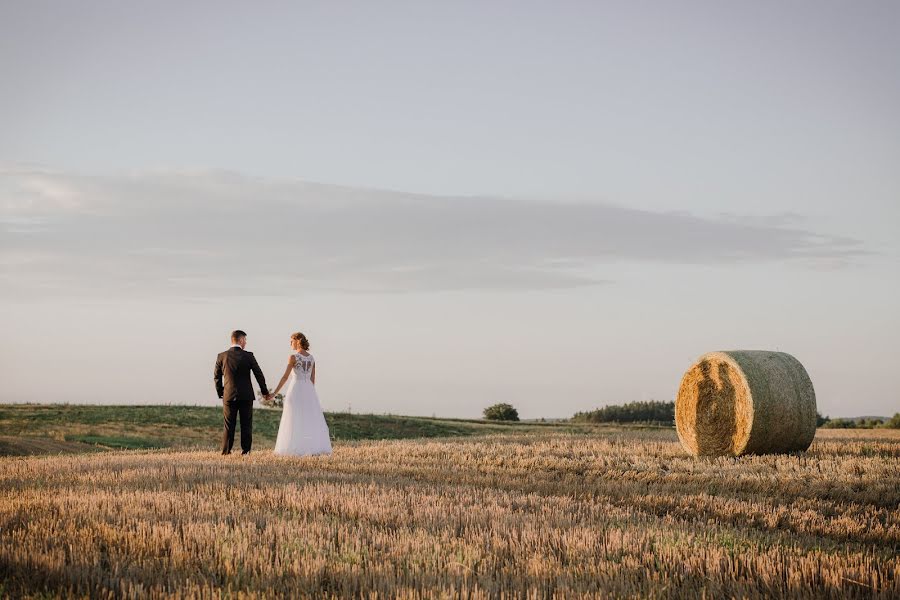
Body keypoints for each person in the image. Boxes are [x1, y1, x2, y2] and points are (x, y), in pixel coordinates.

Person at [271, 332, 332, 456]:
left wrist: (274, 393)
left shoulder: (293, 357)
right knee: (308, 419)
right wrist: (309, 393)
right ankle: (310, 447)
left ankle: (292, 447)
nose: (290, 344)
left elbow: (285, 377)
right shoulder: (311, 358)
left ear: (297, 341)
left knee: (293, 418)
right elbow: (312, 380)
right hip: (309, 390)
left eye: (291, 341)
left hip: (296, 389)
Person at [213, 330, 271, 455]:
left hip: (228, 395)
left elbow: (217, 377)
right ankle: (246, 451)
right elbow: (259, 375)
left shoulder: (222, 356)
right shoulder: (249, 356)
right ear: (240, 340)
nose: (245, 343)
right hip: (246, 395)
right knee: (246, 424)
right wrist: (264, 391)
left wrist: (221, 392)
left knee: (229, 425)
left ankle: (226, 451)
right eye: (245, 340)